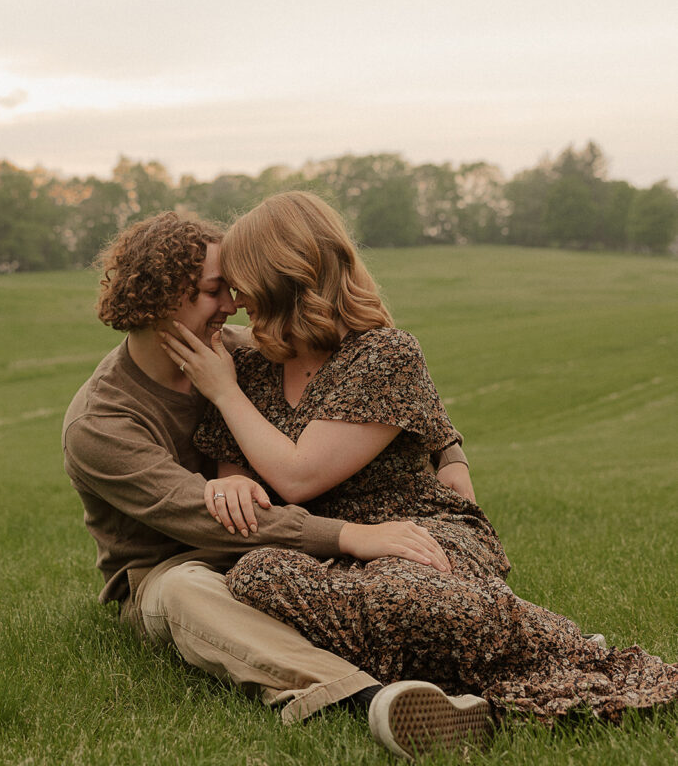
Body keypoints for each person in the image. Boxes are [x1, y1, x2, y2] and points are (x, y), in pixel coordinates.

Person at [161, 191, 678, 760]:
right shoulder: (248, 370)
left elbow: (299, 477)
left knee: (401, 591)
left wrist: (224, 392)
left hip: (418, 532)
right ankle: (464, 692)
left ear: (287, 275)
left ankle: (562, 649)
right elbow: (253, 492)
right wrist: (228, 480)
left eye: (242, 284)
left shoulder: (382, 355)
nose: (233, 301)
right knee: (255, 575)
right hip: (324, 551)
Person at [63, 210, 489, 753]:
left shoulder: (241, 349)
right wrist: (346, 536)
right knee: (184, 593)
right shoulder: (101, 424)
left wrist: (448, 450)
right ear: (159, 299)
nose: (234, 304)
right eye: (215, 291)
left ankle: (500, 662)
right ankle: (363, 697)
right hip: (182, 563)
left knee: (400, 567)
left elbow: (373, 377)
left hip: (282, 540)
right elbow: (205, 518)